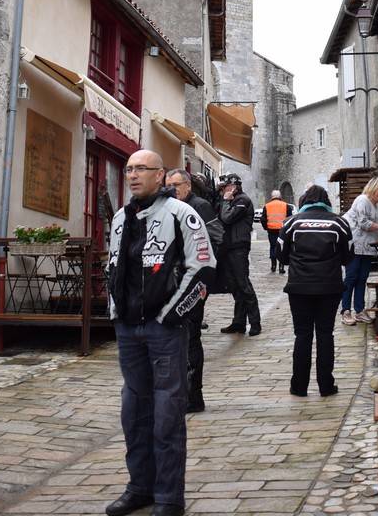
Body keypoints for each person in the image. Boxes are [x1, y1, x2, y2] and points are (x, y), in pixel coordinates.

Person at [106, 150, 215, 516]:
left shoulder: (182, 214)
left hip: (164, 331)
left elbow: (202, 270)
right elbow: (113, 269)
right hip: (128, 330)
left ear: (160, 175)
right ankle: (140, 487)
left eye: (141, 169)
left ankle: (169, 497)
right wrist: (116, 314)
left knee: (167, 414)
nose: (133, 175)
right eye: (129, 169)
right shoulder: (121, 217)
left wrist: (169, 316)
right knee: (133, 412)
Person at [278, 185, 352, 397]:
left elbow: (281, 255)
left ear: (304, 201)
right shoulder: (339, 223)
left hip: (299, 287)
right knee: (325, 334)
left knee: (302, 335)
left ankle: (299, 387)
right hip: (329, 287)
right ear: (326, 201)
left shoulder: (291, 223)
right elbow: (348, 256)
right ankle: (326, 385)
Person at [165, 168, 224, 414]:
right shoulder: (169, 207)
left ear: (188, 185)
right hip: (173, 281)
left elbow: (217, 238)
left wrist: (199, 270)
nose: (171, 190)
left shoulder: (199, 206)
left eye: (176, 185)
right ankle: (180, 393)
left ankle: (193, 396)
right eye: (168, 185)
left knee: (189, 336)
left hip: (193, 281)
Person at [341, 177, 378, 326]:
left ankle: (359, 310)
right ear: (373, 188)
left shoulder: (375, 205)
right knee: (351, 277)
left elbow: (373, 226)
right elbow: (363, 223)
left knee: (362, 278)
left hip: (367, 247)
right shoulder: (363, 200)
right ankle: (345, 311)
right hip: (355, 245)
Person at [215, 173, 261, 336]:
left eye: (225, 187)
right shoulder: (233, 200)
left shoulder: (243, 200)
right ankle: (239, 322)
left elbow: (227, 218)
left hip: (238, 248)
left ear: (234, 187)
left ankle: (255, 322)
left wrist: (226, 200)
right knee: (235, 286)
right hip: (229, 247)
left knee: (244, 285)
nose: (222, 191)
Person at [259, 189, 294, 274]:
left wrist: (266, 228)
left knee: (273, 247)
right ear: (280, 197)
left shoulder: (267, 206)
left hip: (271, 230)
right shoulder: (286, 205)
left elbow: (263, 219)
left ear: (272, 197)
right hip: (283, 230)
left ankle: (273, 265)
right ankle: (281, 267)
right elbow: (290, 219)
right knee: (283, 247)